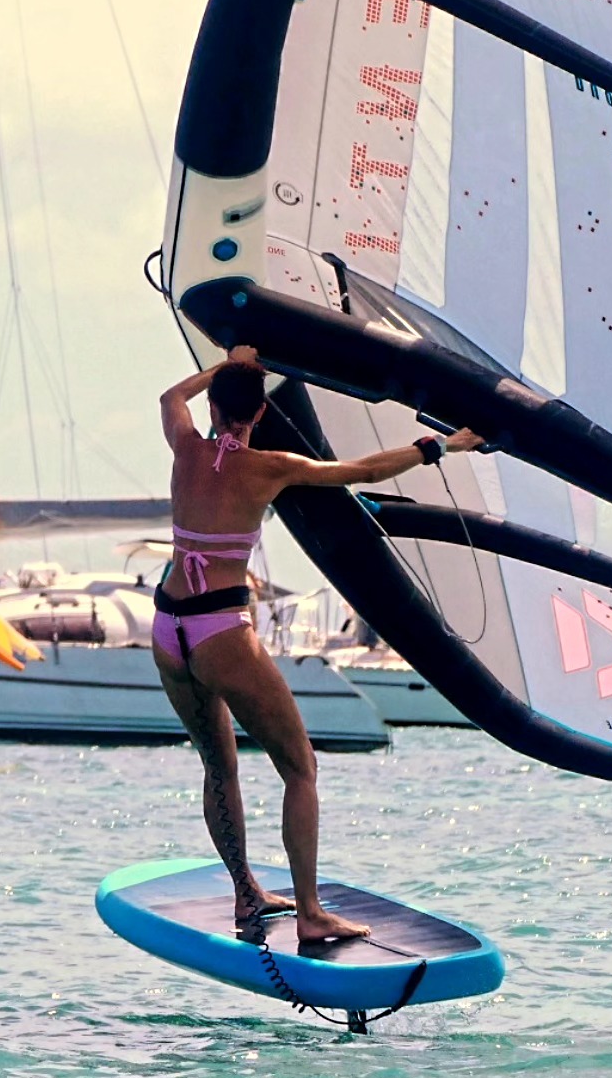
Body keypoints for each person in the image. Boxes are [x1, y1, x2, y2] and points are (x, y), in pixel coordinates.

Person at [155, 345, 482, 943]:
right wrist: (443, 445)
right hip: (221, 632)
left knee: (219, 767)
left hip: (168, 627)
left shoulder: (185, 446)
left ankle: (246, 896)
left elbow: (170, 397)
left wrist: (228, 365)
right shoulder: (269, 467)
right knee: (300, 768)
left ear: (214, 404)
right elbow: (361, 471)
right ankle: (309, 912)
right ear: (256, 415)